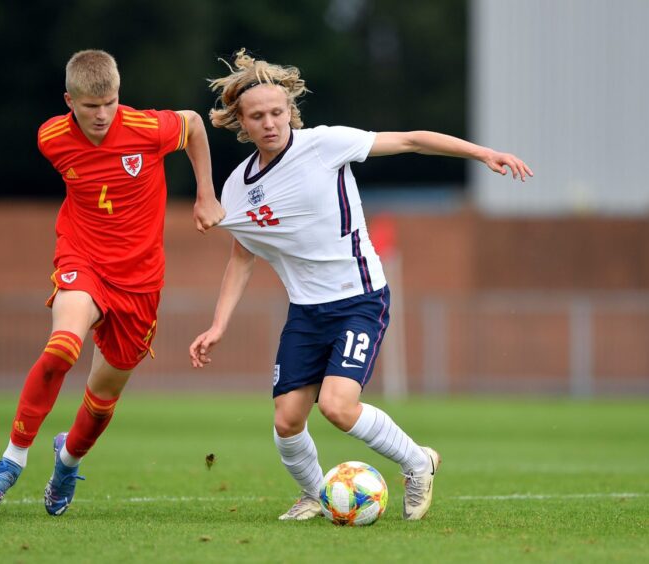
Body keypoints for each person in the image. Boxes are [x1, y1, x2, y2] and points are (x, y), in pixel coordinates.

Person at [189, 49, 532, 522]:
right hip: (306, 312)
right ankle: (317, 494)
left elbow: (412, 140)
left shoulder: (326, 144)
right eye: (257, 116)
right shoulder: (237, 188)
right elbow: (242, 256)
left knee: (336, 405)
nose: (270, 123)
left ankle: (418, 463)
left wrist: (483, 153)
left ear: (290, 111)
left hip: (359, 298)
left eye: (276, 112)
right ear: (241, 124)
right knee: (287, 420)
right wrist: (218, 325)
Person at [0, 49, 225, 516]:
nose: (102, 115)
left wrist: (206, 195)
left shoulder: (147, 129)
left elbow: (192, 122)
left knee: (104, 396)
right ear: (69, 101)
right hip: (83, 260)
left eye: (109, 102)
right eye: (90, 106)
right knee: (63, 345)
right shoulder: (51, 138)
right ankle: (11, 460)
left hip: (141, 281)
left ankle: (66, 462)